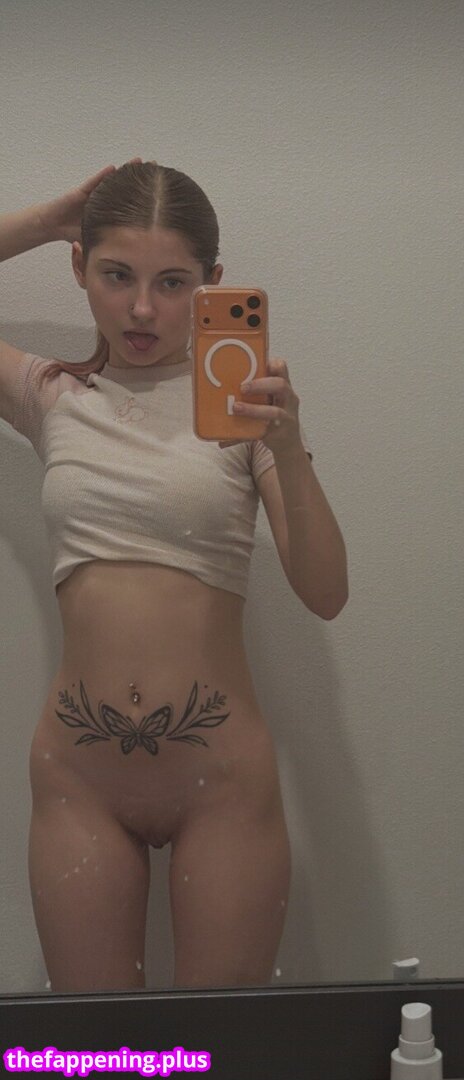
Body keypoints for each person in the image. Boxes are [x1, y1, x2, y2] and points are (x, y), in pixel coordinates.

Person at [0, 158, 348, 992]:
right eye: (117, 274)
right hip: (80, 784)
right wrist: (47, 219)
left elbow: (326, 593)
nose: (143, 309)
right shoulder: (53, 395)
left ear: (211, 285)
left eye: (172, 282)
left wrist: (287, 445)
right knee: (99, 1050)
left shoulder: (245, 415)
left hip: (221, 786)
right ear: (79, 267)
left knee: (215, 1050)